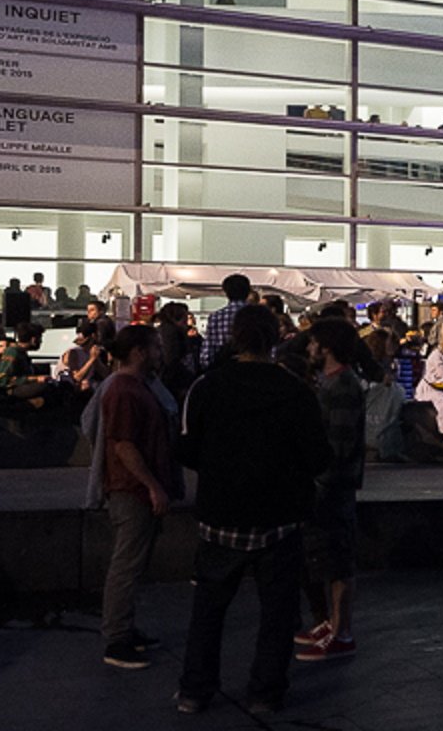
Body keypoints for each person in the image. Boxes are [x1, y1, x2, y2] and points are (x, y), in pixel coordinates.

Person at [175, 306, 326, 716]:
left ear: (234, 338)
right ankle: (265, 692)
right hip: (280, 517)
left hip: (220, 515)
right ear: (275, 337)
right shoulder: (295, 391)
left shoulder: (206, 388)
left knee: (209, 610)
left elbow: (187, 449)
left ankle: (195, 690)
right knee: (277, 614)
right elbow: (318, 456)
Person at [87, 324, 175, 672]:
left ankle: (124, 628)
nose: (159, 353)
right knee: (126, 564)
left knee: (132, 563)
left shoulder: (132, 387)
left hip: (134, 487)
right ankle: (117, 637)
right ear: (139, 352)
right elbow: (123, 444)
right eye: (155, 347)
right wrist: (152, 484)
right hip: (130, 489)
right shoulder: (125, 391)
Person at [294, 322, 366, 662]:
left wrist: (317, 475)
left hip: (332, 485)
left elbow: (338, 445)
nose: (309, 349)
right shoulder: (334, 384)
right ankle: (333, 626)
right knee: (329, 557)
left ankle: (341, 631)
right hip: (329, 483)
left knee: (338, 559)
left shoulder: (342, 388)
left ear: (326, 347)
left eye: (313, 343)